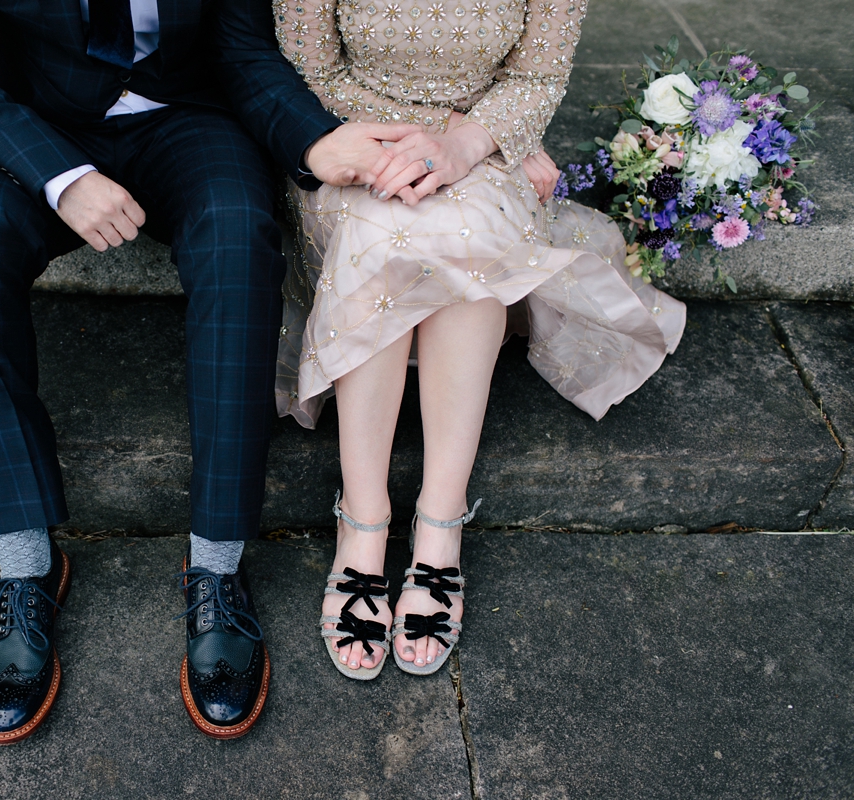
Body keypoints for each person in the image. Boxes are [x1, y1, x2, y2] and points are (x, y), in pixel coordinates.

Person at [0, 0, 412, 741]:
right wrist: (61, 175)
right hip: (34, 122)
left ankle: (217, 569)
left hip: (185, 116)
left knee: (239, 234)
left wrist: (314, 140)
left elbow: (242, 47)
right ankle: (25, 567)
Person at [273, 0, 686, 678]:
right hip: (351, 142)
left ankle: (439, 524)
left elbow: (537, 77)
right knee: (382, 243)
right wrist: (422, 139)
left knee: (467, 250)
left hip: (482, 152)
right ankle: (363, 523)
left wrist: (472, 143)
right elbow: (306, 66)